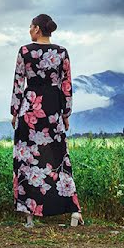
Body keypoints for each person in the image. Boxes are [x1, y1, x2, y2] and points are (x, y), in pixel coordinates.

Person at [11, 13, 83, 228]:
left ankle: (30, 214)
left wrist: (15, 111)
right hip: (53, 109)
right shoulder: (62, 53)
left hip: (30, 107)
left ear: (37, 29)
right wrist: (66, 113)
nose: (29, 30)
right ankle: (73, 211)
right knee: (59, 157)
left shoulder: (25, 51)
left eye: (30, 26)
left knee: (28, 159)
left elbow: (18, 83)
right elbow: (66, 86)